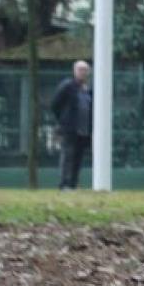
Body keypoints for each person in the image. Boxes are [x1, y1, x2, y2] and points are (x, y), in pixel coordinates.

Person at [50, 60, 92, 189]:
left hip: (84, 129)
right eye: (80, 70)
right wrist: (63, 120)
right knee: (68, 155)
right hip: (69, 129)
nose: (82, 73)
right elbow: (55, 104)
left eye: (85, 70)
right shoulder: (67, 86)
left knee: (78, 157)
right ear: (74, 71)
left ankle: (73, 184)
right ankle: (64, 184)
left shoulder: (88, 89)